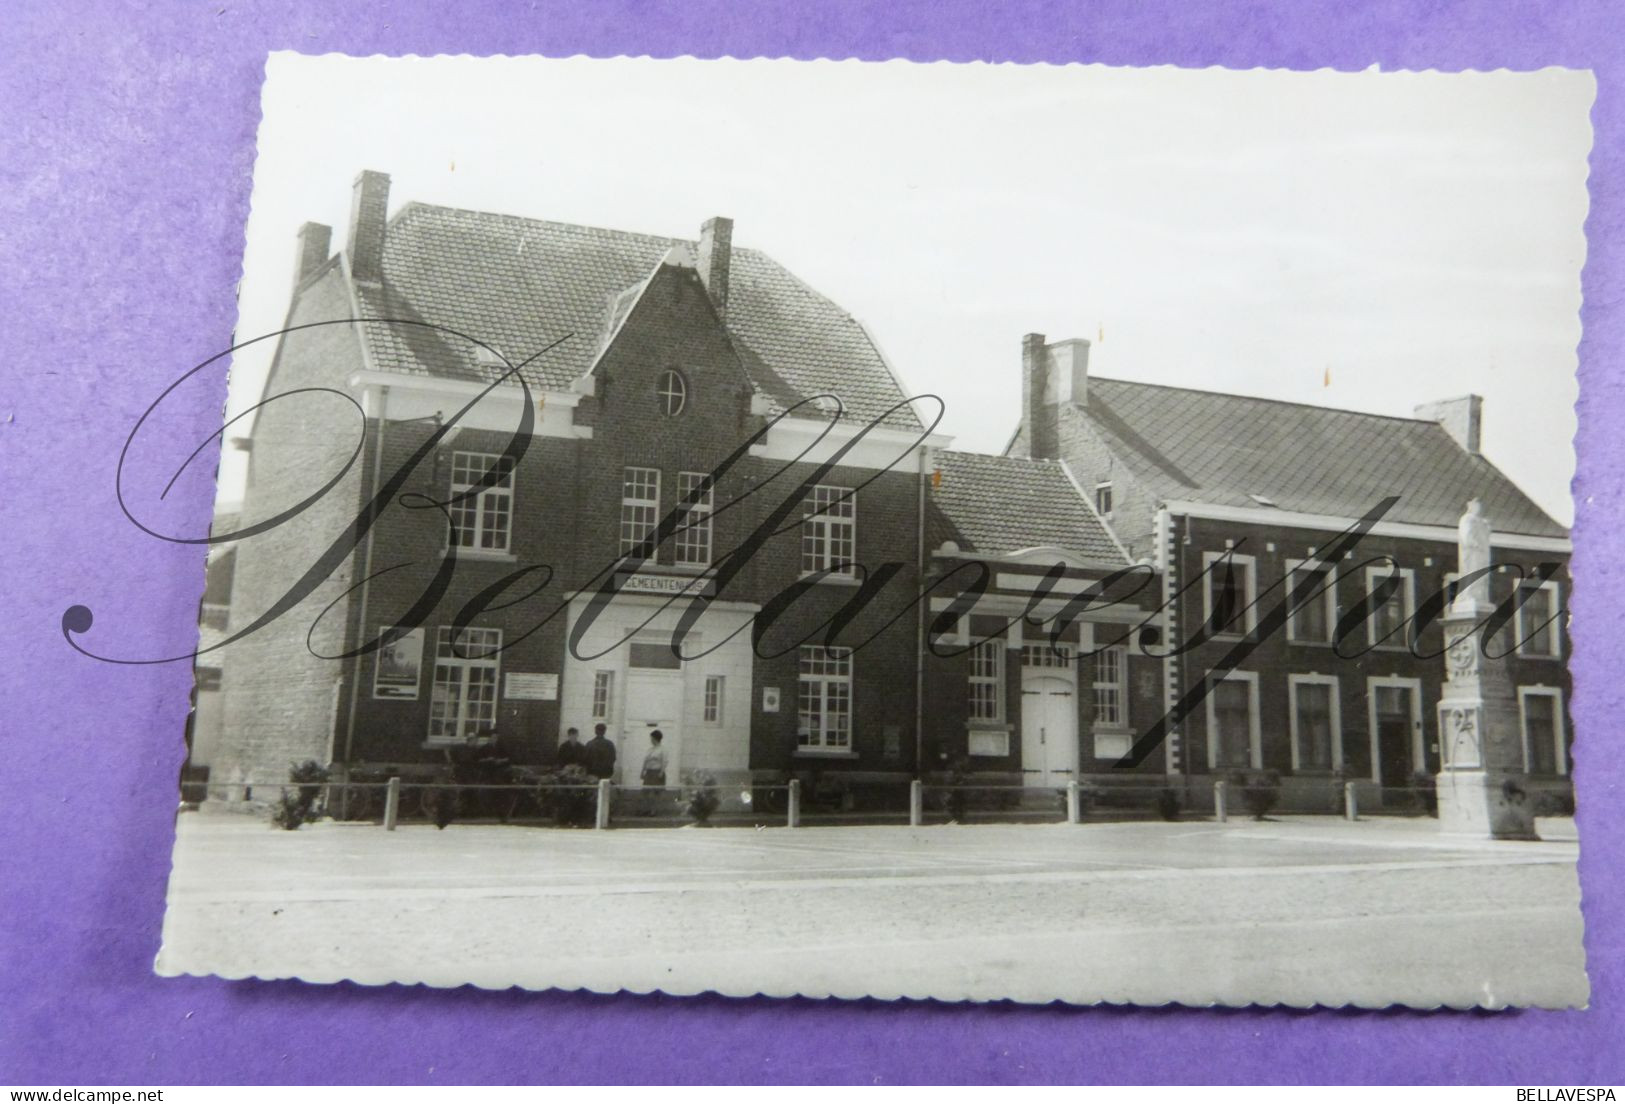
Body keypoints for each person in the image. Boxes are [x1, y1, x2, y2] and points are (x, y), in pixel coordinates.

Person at [639, 730, 668, 816]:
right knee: (645, 792)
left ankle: (653, 811)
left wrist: (661, 772)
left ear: (656, 738)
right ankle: (646, 809)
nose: (651, 740)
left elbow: (664, 762)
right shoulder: (650, 749)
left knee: (655, 793)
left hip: (657, 772)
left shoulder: (663, 750)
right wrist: (642, 771)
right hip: (649, 772)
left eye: (652, 738)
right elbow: (645, 761)